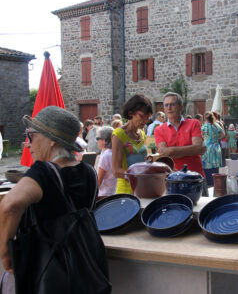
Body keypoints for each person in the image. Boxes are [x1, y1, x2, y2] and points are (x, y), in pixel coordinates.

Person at [0, 106, 98, 280]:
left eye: (31, 135)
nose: (27, 143)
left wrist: (4, 253)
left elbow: (9, 205)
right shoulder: (89, 172)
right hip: (82, 268)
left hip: (45, 270)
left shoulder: (43, 172)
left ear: (52, 140)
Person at [154, 92, 206, 177]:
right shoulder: (159, 130)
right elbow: (164, 153)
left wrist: (171, 151)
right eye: (166, 105)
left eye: (172, 104)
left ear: (181, 107)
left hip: (196, 176)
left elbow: (197, 148)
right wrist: (192, 150)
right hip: (173, 178)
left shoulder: (193, 123)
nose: (169, 108)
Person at [112, 94, 153, 194]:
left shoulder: (142, 134)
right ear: (131, 113)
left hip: (143, 189)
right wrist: (140, 174)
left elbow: (141, 160)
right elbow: (116, 171)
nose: (146, 120)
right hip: (126, 192)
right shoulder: (119, 134)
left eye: (148, 117)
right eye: (142, 116)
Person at [201, 112, 224, 186]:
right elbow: (223, 134)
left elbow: (200, 136)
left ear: (205, 118)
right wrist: (217, 138)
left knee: (207, 166)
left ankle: (209, 183)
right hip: (216, 148)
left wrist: (205, 138)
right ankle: (215, 183)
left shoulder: (204, 127)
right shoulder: (216, 125)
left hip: (207, 148)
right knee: (215, 166)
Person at [96, 126, 117, 197]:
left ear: (104, 140)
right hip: (113, 193)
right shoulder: (115, 152)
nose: (96, 141)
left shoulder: (105, 156)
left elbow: (98, 182)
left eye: (97, 138)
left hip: (104, 195)